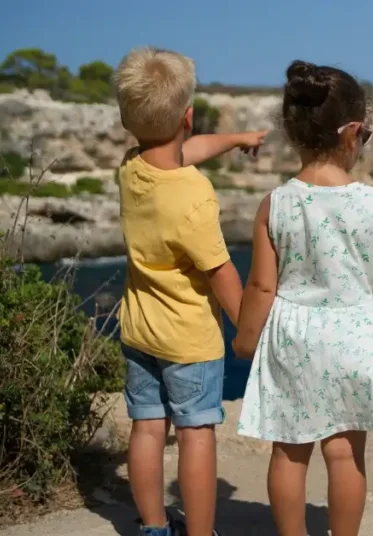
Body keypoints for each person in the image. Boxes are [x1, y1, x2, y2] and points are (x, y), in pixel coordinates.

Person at [232, 60, 373, 536]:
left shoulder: (277, 203)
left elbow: (262, 286)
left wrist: (246, 338)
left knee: (289, 452)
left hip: (294, 336)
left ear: (292, 131)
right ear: (352, 133)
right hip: (355, 335)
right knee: (345, 452)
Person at [113, 46, 267, 536]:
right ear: (189, 115)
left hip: (139, 332)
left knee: (146, 427)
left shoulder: (130, 167)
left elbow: (184, 150)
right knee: (197, 433)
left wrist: (236, 139)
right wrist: (250, 330)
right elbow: (220, 271)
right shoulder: (194, 194)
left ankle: (155, 528)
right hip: (189, 341)